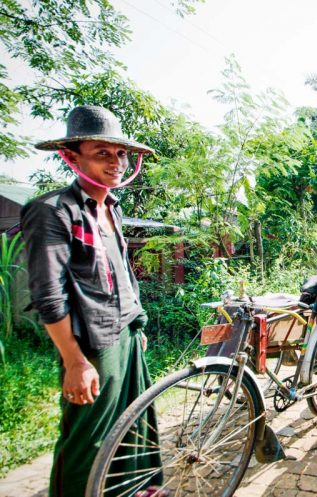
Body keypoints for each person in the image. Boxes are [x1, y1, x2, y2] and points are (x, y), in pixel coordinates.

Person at [21, 106, 161, 497]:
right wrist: (74, 360)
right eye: (102, 152)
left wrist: (139, 323)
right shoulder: (52, 211)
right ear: (72, 156)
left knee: (134, 426)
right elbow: (49, 296)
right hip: (92, 343)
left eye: (120, 154)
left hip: (128, 333)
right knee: (90, 440)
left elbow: (123, 275)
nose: (115, 163)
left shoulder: (111, 207)